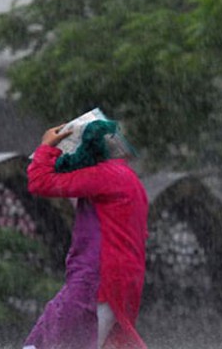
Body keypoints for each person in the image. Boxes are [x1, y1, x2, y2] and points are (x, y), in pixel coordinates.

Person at [24, 119, 148, 349]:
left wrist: (46, 147)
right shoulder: (129, 178)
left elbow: (39, 182)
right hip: (120, 281)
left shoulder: (104, 176)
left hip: (98, 280)